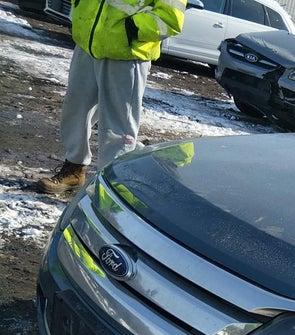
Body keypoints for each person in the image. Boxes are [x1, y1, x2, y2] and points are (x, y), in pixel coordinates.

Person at [36, 0, 186, 194]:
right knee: (75, 111)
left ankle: (111, 186)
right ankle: (74, 169)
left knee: (118, 127)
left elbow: (171, 19)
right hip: (88, 42)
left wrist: (131, 29)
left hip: (127, 53)